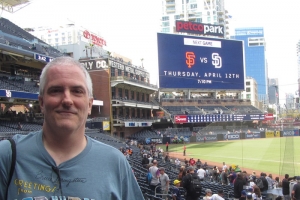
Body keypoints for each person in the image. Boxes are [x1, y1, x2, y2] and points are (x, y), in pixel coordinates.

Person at [0, 57, 144, 199]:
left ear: (89, 105)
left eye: (77, 91)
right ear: (42, 103)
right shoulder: (7, 155)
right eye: (56, 90)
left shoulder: (115, 162)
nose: (67, 100)